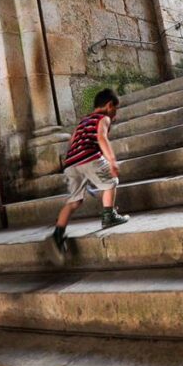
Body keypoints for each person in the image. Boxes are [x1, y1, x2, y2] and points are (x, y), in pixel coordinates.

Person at [51, 88, 129, 256]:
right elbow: (101, 138)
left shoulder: (83, 121)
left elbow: (72, 141)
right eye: (116, 109)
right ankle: (109, 216)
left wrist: (76, 166)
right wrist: (112, 161)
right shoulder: (103, 118)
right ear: (109, 105)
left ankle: (58, 234)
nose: (115, 114)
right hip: (89, 156)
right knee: (110, 182)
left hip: (71, 162)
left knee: (74, 202)